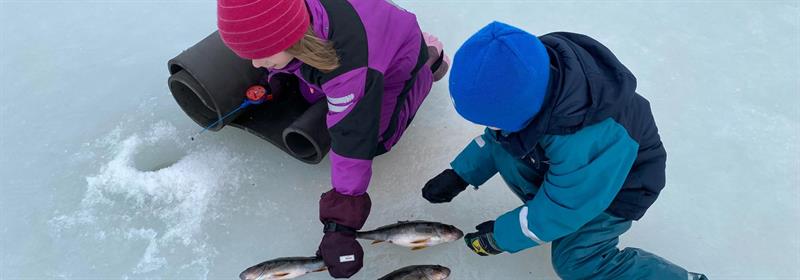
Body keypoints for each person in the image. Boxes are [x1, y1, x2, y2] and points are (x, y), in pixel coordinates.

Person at [422, 21, 705, 279]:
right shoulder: (533, 79)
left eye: (492, 121)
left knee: (577, 262)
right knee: (504, 149)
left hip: (620, 187)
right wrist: (460, 174)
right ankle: (539, 217)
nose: (491, 129)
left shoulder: (586, 138)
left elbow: (565, 206)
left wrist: (501, 237)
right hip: (571, 170)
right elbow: (497, 138)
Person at [216, 0, 448, 277]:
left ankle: (431, 61)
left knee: (377, 139)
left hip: (397, 57)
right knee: (307, 92)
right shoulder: (292, 17)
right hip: (353, 29)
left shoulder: (351, 64)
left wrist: (341, 226)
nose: (255, 63)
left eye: (262, 53)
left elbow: (353, 136)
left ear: (292, 36)